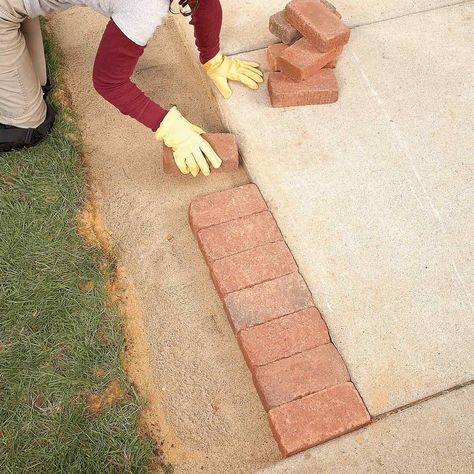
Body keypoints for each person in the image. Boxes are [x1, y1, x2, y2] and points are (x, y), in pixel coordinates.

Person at [0, 0, 264, 176]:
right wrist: (169, 126)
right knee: (26, 124)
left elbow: (204, 4)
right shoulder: (143, 6)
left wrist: (212, 57)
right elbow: (109, 82)